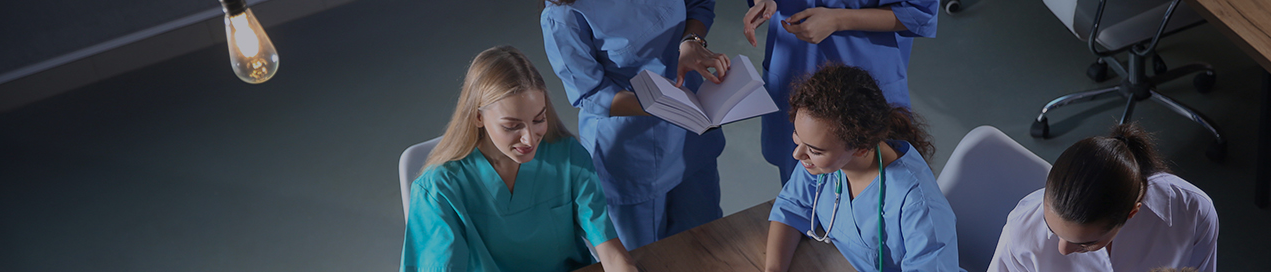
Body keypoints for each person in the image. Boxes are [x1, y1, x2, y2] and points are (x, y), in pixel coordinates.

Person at [400, 46, 637, 272]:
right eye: (512, 126)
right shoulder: (439, 190)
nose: (529, 140)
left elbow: (611, 251)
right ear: (477, 117)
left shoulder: (568, 157)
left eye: (538, 120)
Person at [540, 0, 733, 250]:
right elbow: (590, 92)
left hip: (691, 137)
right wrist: (662, 105)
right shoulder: (563, 13)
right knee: (639, 258)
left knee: (708, 247)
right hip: (630, 156)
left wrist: (691, 42)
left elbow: (698, 4)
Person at [765, 64, 962, 272]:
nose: (797, 154)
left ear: (860, 148)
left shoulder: (917, 204)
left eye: (815, 150)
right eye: (797, 136)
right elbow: (791, 207)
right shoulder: (823, 164)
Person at [742, 0, 940, 184]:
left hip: (859, 69)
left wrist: (838, 19)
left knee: (876, 185)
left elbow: (919, 11)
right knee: (799, 177)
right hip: (792, 61)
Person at [988, 123, 1219, 272]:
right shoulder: (1023, 227)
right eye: (1052, 228)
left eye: (1086, 244)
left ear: (1132, 212)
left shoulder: (1192, 213)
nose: (1063, 249)